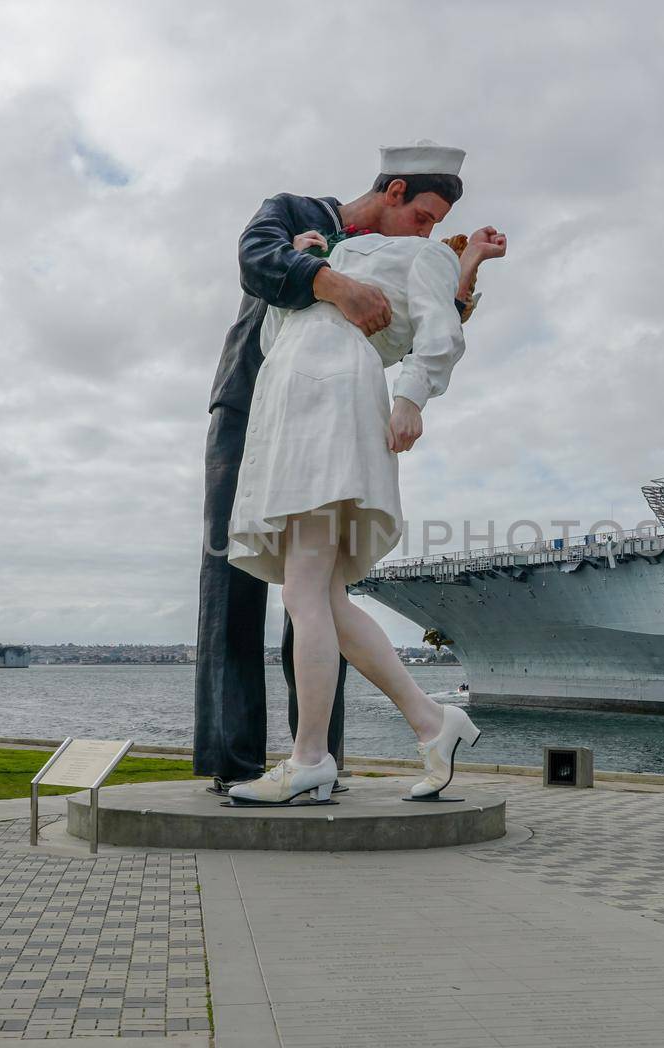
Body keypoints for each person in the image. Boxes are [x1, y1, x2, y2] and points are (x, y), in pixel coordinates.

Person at [194, 141, 497, 794]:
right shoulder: (298, 214)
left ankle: (313, 759)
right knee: (259, 588)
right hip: (256, 399)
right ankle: (249, 755)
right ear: (393, 194)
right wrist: (335, 283)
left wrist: (461, 271)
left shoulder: (409, 256)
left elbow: (431, 320)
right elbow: (257, 259)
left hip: (320, 399)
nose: (428, 231)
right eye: (423, 216)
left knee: (305, 588)